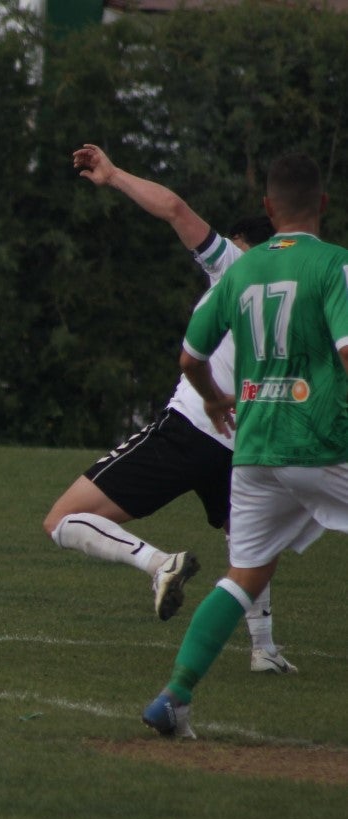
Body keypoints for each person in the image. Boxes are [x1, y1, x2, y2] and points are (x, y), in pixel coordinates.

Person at [44, 143, 294, 674]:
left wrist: (112, 176)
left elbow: (176, 210)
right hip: (250, 442)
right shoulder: (306, 294)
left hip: (193, 426)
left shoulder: (235, 267)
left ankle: (160, 564)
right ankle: (265, 650)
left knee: (62, 519)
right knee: (245, 545)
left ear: (246, 244)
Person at [142, 152, 348, 738]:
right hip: (320, 442)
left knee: (245, 576)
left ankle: (175, 696)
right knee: (247, 572)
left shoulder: (241, 270)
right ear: (324, 204)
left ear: (266, 208)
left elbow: (189, 359)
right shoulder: (336, 266)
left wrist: (212, 398)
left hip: (254, 449)